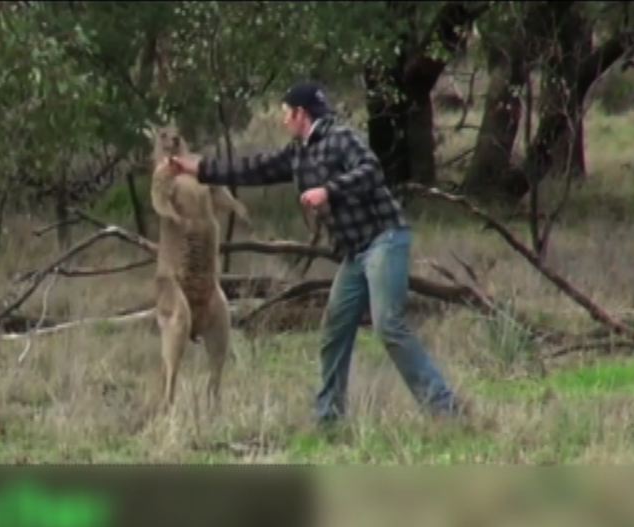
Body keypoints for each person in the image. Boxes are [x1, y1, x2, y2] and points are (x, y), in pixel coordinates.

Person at [167, 80, 464, 426]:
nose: (282, 121)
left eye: (284, 114)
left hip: (384, 239)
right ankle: (329, 419)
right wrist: (197, 169)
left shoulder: (341, 138)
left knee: (389, 326)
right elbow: (253, 168)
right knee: (335, 330)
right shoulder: (298, 152)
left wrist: (328, 191)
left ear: (300, 114)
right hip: (355, 253)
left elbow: (371, 171)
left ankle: (446, 410)